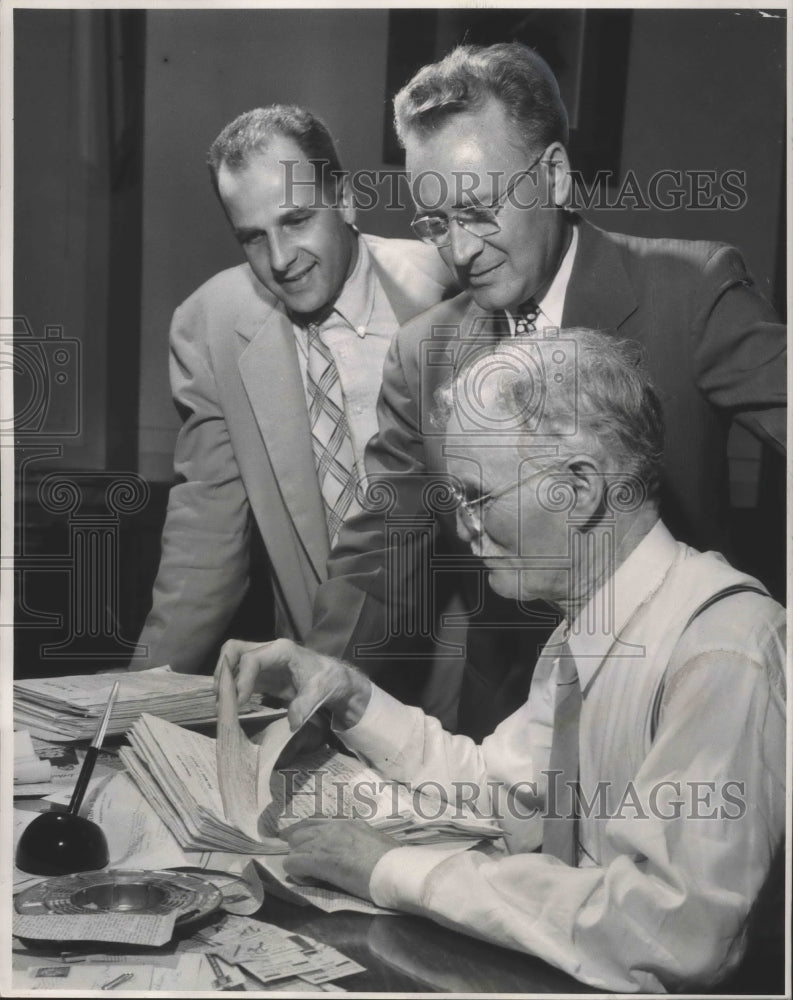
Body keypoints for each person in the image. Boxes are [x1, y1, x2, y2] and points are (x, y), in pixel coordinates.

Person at [218, 331, 786, 993]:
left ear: (577, 489)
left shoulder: (723, 651)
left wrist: (389, 867)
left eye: (478, 497)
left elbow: (668, 931)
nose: (464, 528)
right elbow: (498, 790)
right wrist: (350, 697)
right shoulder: (596, 626)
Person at [302, 42, 786, 737]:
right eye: (435, 223)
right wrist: (316, 691)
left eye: (477, 210)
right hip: (503, 731)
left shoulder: (691, 293)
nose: (459, 251)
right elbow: (382, 552)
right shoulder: (422, 354)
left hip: (678, 718)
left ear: (554, 176)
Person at [132, 105, 454, 676]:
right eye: (253, 238)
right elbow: (205, 541)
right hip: (315, 676)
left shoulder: (452, 288)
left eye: (297, 220)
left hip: (457, 677)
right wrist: (134, 700)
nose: (280, 260)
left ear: (347, 200)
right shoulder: (209, 324)